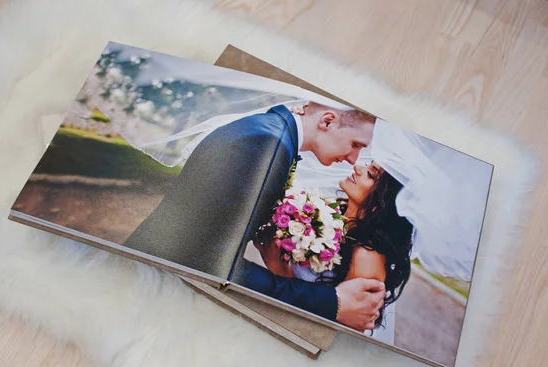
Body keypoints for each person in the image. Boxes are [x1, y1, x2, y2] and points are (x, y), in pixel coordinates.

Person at [124, 101, 383, 331]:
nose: (353, 159)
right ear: (327, 121)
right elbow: (209, 260)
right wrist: (331, 302)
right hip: (146, 285)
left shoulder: (272, 134)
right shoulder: (266, 144)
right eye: (356, 144)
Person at [255, 161, 413, 331]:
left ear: (380, 204)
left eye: (370, 174)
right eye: (367, 165)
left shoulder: (366, 257)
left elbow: (337, 329)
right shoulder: (333, 218)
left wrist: (278, 268)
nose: (357, 168)